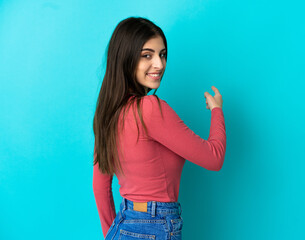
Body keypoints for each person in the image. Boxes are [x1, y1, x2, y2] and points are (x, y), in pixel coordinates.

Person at [92, 17, 226, 240]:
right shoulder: (150, 109)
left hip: (121, 225)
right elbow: (214, 158)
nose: (160, 64)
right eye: (147, 55)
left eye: (162, 54)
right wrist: (217, 111)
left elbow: (100, 186)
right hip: (155, 226)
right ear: (126, 58)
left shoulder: (107, 113)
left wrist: (112, 235)